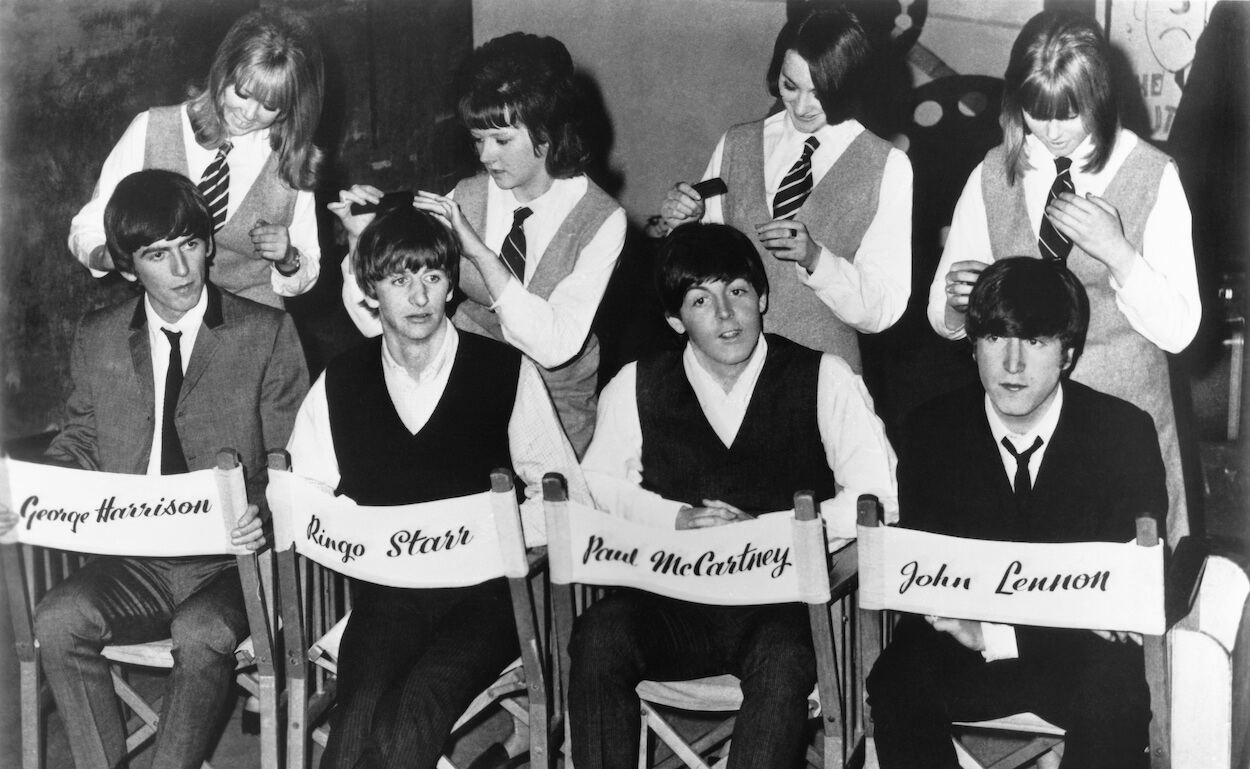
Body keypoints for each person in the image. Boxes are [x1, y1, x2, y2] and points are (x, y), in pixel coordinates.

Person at [532, 223, 897, 769]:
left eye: (738, 292)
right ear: (676, 319)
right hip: (674, 595)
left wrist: (772, 530)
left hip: (772, 602)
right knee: (597, 637)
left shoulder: (822, 376)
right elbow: (599, 488)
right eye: (701, 300)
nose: (725, 315)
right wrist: (673, 519)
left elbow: (876, 496)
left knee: (786, 661)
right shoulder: (638, 381)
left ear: (764, 297)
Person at [251, 204, 589, 769]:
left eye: (434, 274)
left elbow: (559, 489)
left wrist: (515, 527)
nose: (419, 293)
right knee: (364, 699)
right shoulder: (342, 380)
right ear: (370, 288)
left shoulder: (504, 370)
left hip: (483, 600)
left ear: (451, 283)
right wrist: (281, 512)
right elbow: (302, 495)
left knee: (420, 703)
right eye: (400, 276)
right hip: (387, 595)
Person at [5, 170, 308, 769]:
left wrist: (264, 511)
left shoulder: (264, 331)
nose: (179, 270)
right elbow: (80, 439)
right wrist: (28, 496)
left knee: (203, 633)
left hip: (227, 562)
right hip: (136, 554)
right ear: (125, 263)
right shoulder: (101, 335)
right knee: (57, 617)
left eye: (190, 247)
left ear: (209, 245)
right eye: (156, 255)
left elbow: (292, 456)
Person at [870, 257, 1168, 769]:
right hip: (961, 643)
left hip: (1064, 658)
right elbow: (926, 579)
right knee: (896, 677)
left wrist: (1000, 628)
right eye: (994, 337)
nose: (1010, 361)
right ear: (969, 343)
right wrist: (972, 618)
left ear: (1068, 350)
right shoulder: (930, 429)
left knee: (1118, 691)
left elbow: (1127, 600)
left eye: (1034, 341)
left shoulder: (1123, 433)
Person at [927, 8, 1198, 546]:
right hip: (1023, 432)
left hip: (1124, 435)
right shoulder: (992, 173)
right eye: (1036, 111)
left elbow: (1181, 330)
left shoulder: (1153, 175)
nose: (1051, 131)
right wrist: (958, 303)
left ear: (1099, 96)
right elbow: (942, 315)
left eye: (1069, 113)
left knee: (1123, 605)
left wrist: (1120, 255)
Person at [336, 31, 625, 459]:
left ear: (547, 133)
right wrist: (361, 238)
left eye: (502, 141)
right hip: (469, 399)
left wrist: (479, 252)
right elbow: (386, 320)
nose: (486, 156)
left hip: (555, 417)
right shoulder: (465, 197)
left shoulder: (602, 220)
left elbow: (554, 345)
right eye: (477, 139)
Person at [659, 6, 912, 372]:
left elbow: (883, 308)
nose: (802, 106)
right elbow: (696, 268)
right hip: (730, 369)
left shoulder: (887, 165)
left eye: (820, 92)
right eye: (790, 85)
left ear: (848, 83)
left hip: (824, 375)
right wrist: (682, 224)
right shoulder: (738, 143)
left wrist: (816, 260)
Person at [69, 7, 325, 308]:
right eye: (242, 93)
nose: (249, 113)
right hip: (167, 316)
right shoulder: (151, 129)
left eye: (270, 105)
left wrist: (288, 258)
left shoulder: (292, 161)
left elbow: (307, 267)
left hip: (253, 323)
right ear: (223, 73)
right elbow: (87, 227)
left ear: (288, 108)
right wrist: (104, 255)